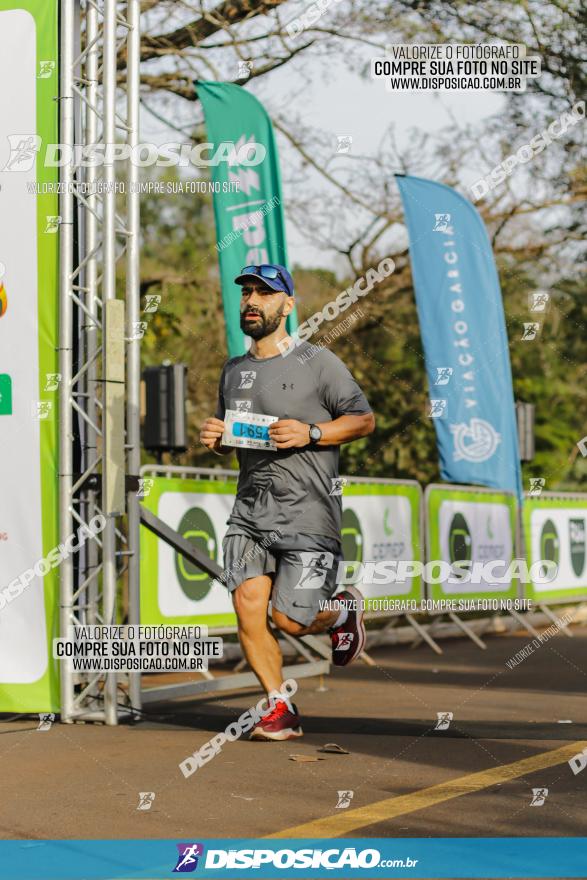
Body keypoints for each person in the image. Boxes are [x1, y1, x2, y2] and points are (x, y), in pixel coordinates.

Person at [199, 263, 375, 740]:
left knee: (289, 620)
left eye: (265, 293)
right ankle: (280, 708)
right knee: (247, 604)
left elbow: (363, 420)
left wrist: (312, 431)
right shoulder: (234, 371)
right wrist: (217, 437)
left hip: (309, 513)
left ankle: (341, 612)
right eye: (247, 293)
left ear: (289, 305)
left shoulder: (318, 362)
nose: (252, 300)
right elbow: (236, 435)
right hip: (250, 512)